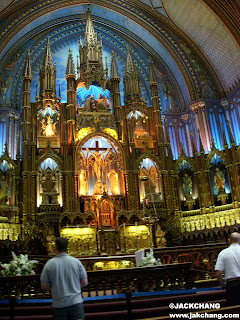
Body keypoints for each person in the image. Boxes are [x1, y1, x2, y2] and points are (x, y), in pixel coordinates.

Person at [41, 237, 88, 320]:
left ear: (55, 247)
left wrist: (54, 287)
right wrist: (75, 286)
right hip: (75, 302)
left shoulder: (49, 264)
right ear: (67, 247)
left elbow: (44, 286)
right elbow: (84, 282)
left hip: (59, 305)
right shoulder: (76, 262)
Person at [215, 232, 240, 306]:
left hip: (232, 285)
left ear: (229, 241)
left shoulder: (223, 253)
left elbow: (218, 273)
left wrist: (223, 285)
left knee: (234, 309)